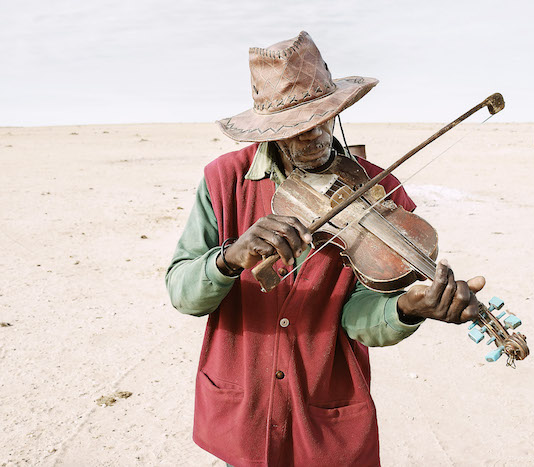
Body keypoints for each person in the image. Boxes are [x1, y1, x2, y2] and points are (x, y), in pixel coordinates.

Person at [166, 31, 485, 467]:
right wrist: (228, 258)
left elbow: (359, 319)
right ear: (270, 130)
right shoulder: (223, 180)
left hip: (326, 423)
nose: (314, 136)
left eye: (324, 118)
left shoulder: (381, 191)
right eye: (296, 128)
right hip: (245, 414)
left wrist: (407, 308)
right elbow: (183, 293)